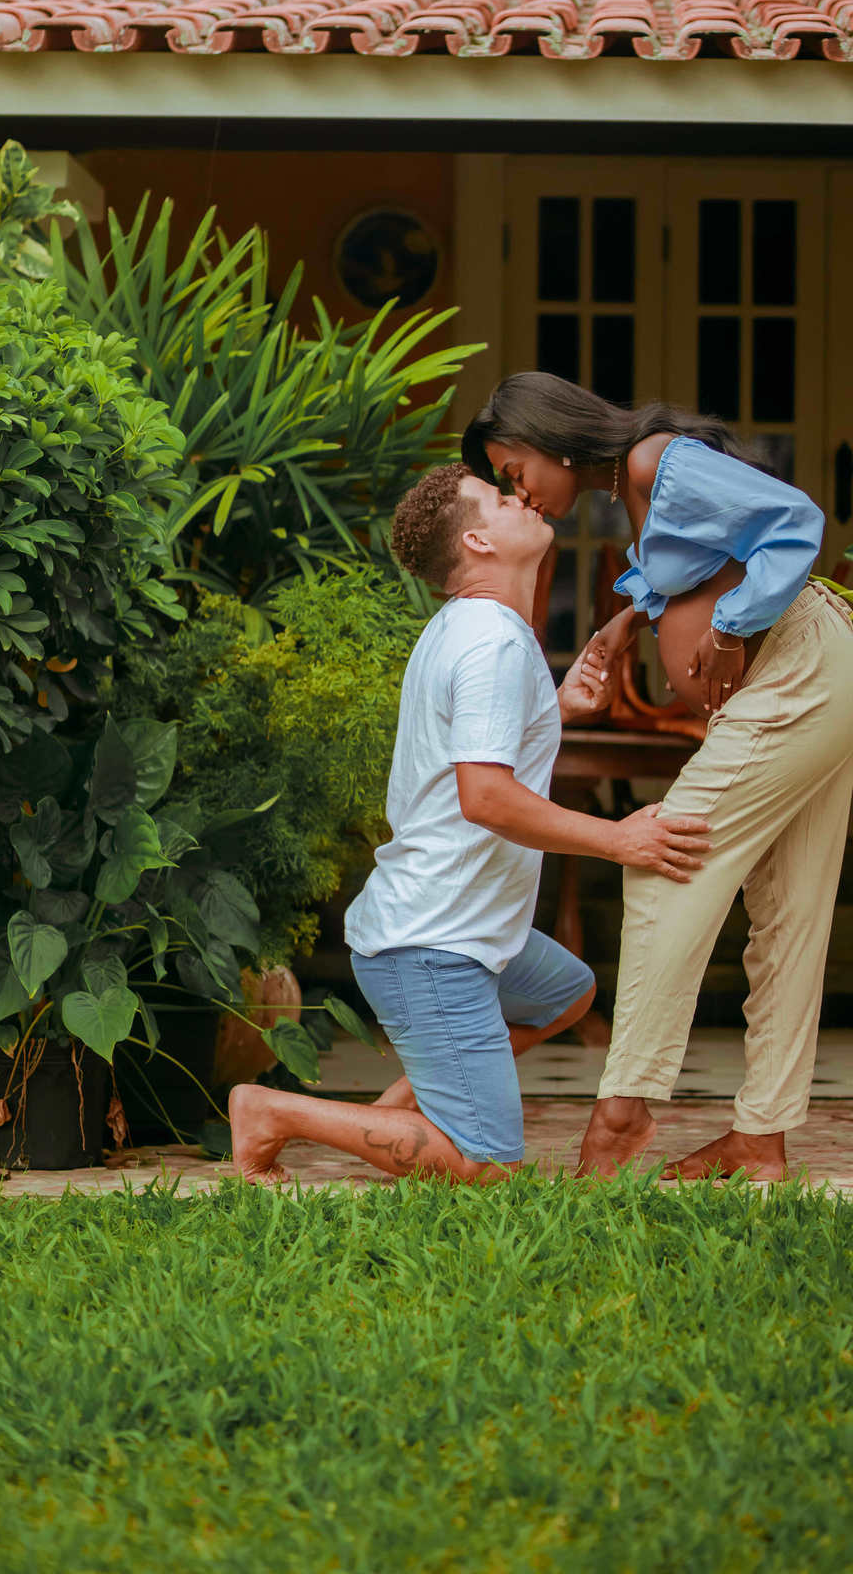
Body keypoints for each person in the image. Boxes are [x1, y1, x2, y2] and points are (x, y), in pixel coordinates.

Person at [228, 460, 711, 1186]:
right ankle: (273, 1112)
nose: (524, 497)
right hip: (432, 944)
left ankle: (414, 1112)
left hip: (463, 929)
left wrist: (555, 707)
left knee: (566, 993)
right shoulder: (490, 642)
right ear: (479, 544)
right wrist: (619, 838)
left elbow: (474, 751)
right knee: (487, 1166)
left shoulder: (476, 630)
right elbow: (484, 798)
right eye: (501, 496)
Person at [462, 372, 853, 1182]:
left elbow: (795, 523)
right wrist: (625, 622)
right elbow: (706, 562)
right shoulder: (637, 483)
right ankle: (761, 1142)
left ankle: (622, 1113)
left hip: (797, 673)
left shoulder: (656, 461)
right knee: (788, 914)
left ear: (552, 438)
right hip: (804, 679)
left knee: (661, 859)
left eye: (516, 473)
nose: (524, 495)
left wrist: (730, 627)